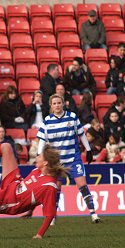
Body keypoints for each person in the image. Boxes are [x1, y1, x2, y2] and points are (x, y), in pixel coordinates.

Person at [37, 94, 101, 223]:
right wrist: (40, 155)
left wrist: (88, 150)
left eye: (59, 103)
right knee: (56, 189)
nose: (57, 105)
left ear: (63, 104)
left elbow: (82, 134)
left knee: (82, 185)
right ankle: (53, 217)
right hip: (57, 162)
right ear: (51, 106)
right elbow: (42, 140)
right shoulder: (47, 121)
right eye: (54, 103)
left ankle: (94, 214)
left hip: (73, 158)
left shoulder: (72, 117)